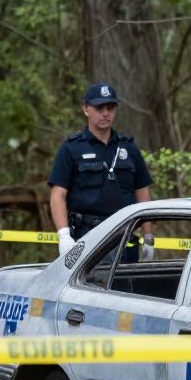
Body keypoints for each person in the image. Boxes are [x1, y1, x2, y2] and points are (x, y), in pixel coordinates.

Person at [49, 83, 154, 260]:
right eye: (99, 108)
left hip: (125, 238)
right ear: (86, 109)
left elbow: (142, 193)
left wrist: (148, 236)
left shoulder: (128, 147)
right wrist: (63, 235)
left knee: (126, 287)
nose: (105, 113)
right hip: (87, 239)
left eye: (110, 108)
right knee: (89, 288)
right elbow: (57, 195)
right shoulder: (71, 149)